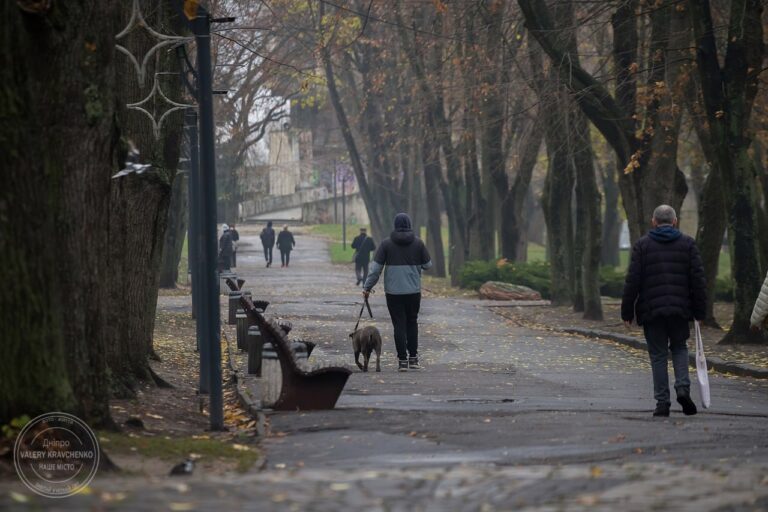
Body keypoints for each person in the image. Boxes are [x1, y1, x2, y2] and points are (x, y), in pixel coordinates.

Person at [621, 205, 706, 417]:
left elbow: (632, 280)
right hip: (679, 310)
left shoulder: (643, 245)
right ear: (675, 221)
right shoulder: (688, 244)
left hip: (652, 311)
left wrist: (627, 312)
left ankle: (662, 403)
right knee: (679, 348)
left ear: (654, 221)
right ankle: (683, 388)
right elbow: (698, 281)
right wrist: (700, 312)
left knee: (658, 355)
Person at [363, 213, 432, 372]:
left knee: (399, 325)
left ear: (394, 225)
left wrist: (367, 287)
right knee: (412, 322)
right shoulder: (418, 244)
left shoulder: (386, 244)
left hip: (393, 293)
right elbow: (428, 265)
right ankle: (413, 358)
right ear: (409, 224)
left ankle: (402, 361)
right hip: (413, 291)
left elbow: (375, 270)